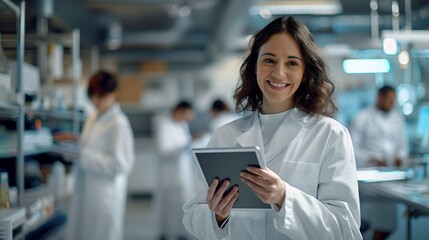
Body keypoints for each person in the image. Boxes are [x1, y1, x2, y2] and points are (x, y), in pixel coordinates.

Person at [183, 16, 362, 240]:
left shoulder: (330, 135)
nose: (278, 73)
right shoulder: (225, 135)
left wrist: (284, 197)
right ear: (255, 66)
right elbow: (193, 216)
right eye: (269, 60)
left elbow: (345, 231)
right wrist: (218, 217)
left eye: (292, 63)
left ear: (305, 72)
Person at [57, 71, 135, 240]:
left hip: (104, 194)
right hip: (86, 188)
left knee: (101, 233)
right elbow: (94, 145)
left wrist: (82, 154)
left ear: (114, 93)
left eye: (100, 96)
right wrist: (76, 140)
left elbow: (121, 165)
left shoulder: (119, 123)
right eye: (92, 95)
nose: (95, 100)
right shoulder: (94, 116)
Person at [349, 85, 408, 240]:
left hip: (391, 177)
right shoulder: (362, 117)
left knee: (388, 225)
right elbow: (351, 149)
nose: (390, 103)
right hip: (369, 180)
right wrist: (371, 158)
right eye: (388, 99)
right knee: (367, 224)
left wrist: (400, 156)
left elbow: (403, 144)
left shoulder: (397, 118)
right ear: (379, 97)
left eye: (393, 100)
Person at [153, 101, 195, 240]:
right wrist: (186, 145)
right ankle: (166, 233)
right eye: (185, 115)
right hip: (169, 175)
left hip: (182, 173)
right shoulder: (164, 124)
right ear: (180, 110)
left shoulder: (182, 124)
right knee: (169, 207)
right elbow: (164, 150)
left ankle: (180, 233)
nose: (186, 119)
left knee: (181, 205)